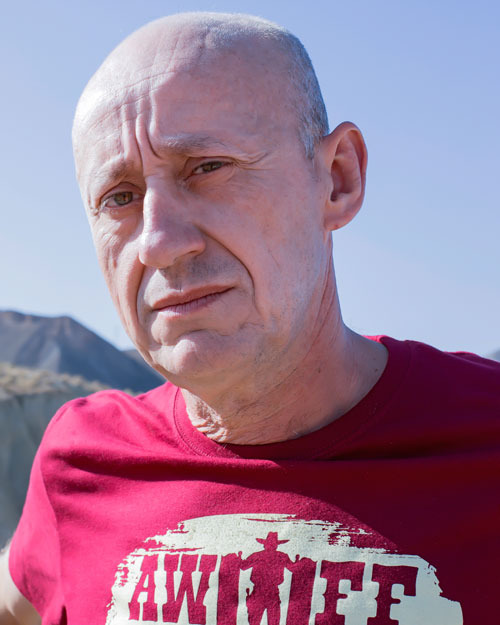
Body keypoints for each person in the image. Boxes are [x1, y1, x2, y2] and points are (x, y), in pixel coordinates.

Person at [1, 11, 499, 625]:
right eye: (119, 198)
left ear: (337, 179)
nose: (158, 242)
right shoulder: (80, 462)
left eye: (207, 167)